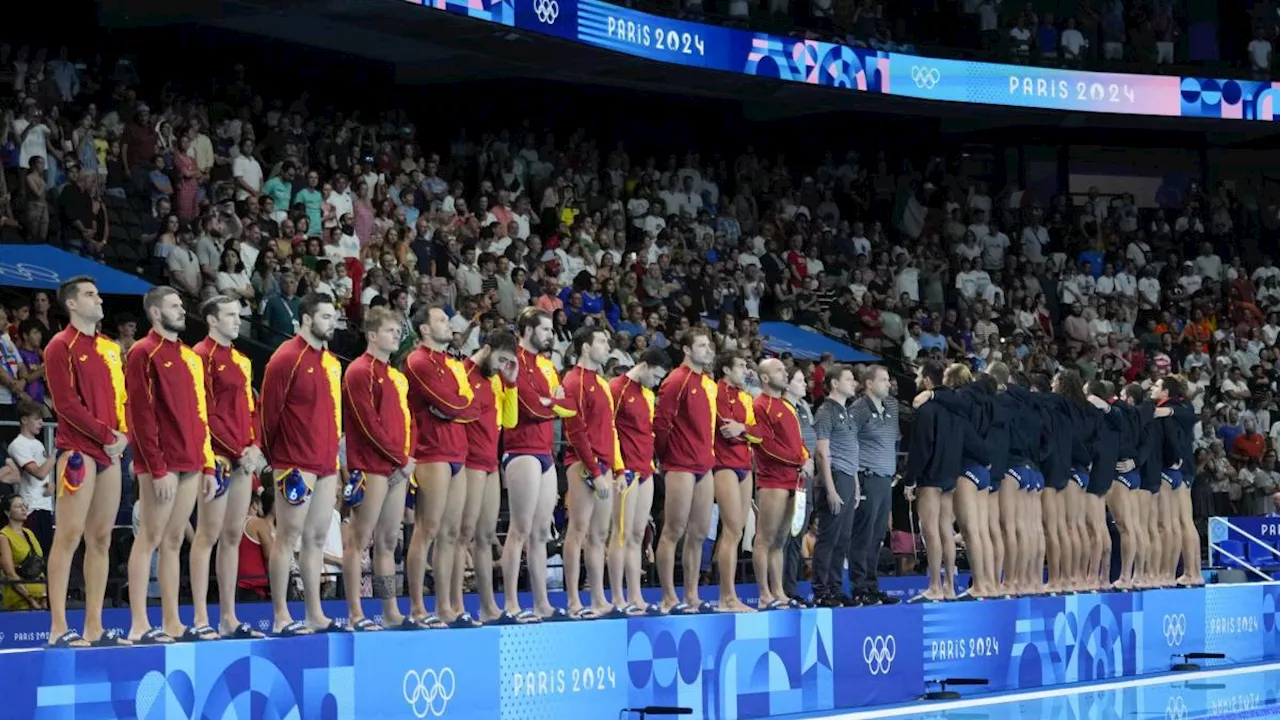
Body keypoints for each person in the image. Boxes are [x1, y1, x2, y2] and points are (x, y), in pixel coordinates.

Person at [124, 285, 218, 644]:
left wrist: (208, 464)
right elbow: (141, 415)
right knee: (149, 536)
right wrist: (157, 467)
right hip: (161, 462)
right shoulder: (142, 352)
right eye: (175, 306)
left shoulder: (191, 358)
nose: (182, 310)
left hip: (191, 458)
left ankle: (172, 621)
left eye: (182, 305)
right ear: (156, 313)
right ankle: (138, 623)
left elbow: (200, 415)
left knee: (175, 539)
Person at [44, 276, 130, 647]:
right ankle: (58, 628)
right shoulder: (59, 346)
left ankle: (94, 626)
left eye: (98, 293)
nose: (98, 299)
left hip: (110, 452)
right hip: (78, 450)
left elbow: (122, 397)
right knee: (68, 536)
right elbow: (65, 405)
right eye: (90, 295)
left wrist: (124, 433)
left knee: (100, 538)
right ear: (72, 304)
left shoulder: (110, 348)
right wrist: (108, 436)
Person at [261, 291, 344, 635]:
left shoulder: (332, 361)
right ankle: (281, 615)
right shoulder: (285, 357)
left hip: (326, 462)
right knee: (288, 536)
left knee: (317, 538)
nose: (333, 323)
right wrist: (274, 456)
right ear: (307, 319)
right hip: (295, 460)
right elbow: (268, 413)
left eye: (334, 317)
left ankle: (314, 613)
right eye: (325, 316)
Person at [190, 296, 266, 639]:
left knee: (233, 535)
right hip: (217, 457)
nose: (238, 320)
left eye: (239, 314)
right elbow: (202, 411)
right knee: (207, 534)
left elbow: (253, 408)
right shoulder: (200, 356)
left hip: (242, 457)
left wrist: (254, 446)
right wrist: (237, 450)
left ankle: (228, 616)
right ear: (212, 320)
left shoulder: (241, 360)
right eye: (231, 315)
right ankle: (201, 618)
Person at [404, 306, 482, 628]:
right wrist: (452, 407)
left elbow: (470, 406)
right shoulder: (418, 361)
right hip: (431, 451)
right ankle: (418, 607)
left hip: (457, 451)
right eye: (440, 320)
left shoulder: (451, 363)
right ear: (424, 329)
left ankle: (447, 607)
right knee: (428, 530)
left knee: (451, 532)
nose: (448, 323)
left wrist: (452, 408)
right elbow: (453, 403)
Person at [339, 306, 415, 631]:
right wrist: (401, 458)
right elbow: (368, 424)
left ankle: (390, 608)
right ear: (372, 335)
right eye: (390, 330)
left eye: (398, 330)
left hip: (396, 467)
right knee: (359, 540)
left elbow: (405, 422)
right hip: (372, 466)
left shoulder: (394, 375)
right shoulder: (358, 371)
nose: (396, 334)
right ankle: (355, 611)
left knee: (386, 543)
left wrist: (408, 458)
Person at [500, 307, 574, 622]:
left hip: (544, 451)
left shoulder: (546, 365)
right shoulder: (511, 359)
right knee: (519, 529)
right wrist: (551, 403)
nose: (550, 335)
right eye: (544, 330)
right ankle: (512, 603)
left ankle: (542, 602)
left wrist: (552, 403)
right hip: (521, 449)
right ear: (528, 329)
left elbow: (567, 405)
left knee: (542, 532)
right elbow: (528, 407)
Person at [904, 361, 984, 602]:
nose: (917, 380)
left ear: (928, 381)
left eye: (919, 376)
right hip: (951, 476)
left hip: (931, 476)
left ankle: (935, 586)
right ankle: (950, 585)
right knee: (946, 531)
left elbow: (920, 448)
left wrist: (910, 480)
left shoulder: (927, 410)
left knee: (930, 531)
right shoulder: (957, 410)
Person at [653, 327, 718, 614]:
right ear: (687, 350)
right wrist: (666, 458)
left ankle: (691, 594)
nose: (708, 350)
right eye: (702, 345)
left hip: (705, 463)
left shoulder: (707, 382)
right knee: (673, 530)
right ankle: (668, 595)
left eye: (709, 345)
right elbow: (660, 424)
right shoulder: (676, 380)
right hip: (680, 463)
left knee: (700, 532)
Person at [560, 326, 624, 619]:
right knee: (578, 530)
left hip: (604, 466)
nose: (607, 345)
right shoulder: (574, 380)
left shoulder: (601, 382)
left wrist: (617, 468)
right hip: (582, 463)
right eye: (601, 340)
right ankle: (573, 599)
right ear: (585, 347)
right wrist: (595, 469)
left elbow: (610, 428)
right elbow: (575, 429)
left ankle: (598, 597)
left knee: (599, 534)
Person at [459, 330, 519, 623]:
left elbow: (509, 421)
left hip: (490, 462)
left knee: (484, 536)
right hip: (469, 462)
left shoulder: (496, 381)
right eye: (501, 359)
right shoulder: (462, 373)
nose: (501, 365)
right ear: (486, 348)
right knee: (463, 534)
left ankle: (487, 606)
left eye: (508, 361)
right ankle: (454, 605)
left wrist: (513, 383)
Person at [608, 347, 670, 615]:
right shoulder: (616, 388)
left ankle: (636, 595)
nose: (657, 383)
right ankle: (617, 597)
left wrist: (652, 463)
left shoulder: (647, 393)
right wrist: (618, 468)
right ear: (644, 365)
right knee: (620, 534)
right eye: (656, 376)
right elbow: (606, 430)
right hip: (626, 470)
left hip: (646, 470)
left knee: (638, 535)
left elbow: (647, 432)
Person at [751, 361, 811, 609]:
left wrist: (805, 457)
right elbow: (765, 444)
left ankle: (779, 591)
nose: (784, 374)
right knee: (765, 539)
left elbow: (797, 442)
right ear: (765, 378)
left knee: (780, 540)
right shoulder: (759, 405)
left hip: (793, 479)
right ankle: (764, 593)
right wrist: (799, 459)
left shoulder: (786, 406)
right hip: (773, 479)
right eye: (779, 371)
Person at [710, 350, 760, 613]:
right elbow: (725, 430)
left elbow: (758, 432)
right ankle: (725, 597)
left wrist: (743, 429)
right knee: (730, 530)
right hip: (724, 463)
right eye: (741, 365)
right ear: (727, 370)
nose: (746, 370)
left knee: (738, 532)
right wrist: (743, 430)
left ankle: (729, 594)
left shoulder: (745, 397)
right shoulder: (715, 392)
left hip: (744, 465)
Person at [847, 365, 902, 604]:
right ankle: (860, 586)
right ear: (869, 383)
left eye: (889, 379)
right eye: (883, 379)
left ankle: (871, 584)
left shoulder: (892, 406)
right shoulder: (858, 409)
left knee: (878, 535)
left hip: (885, 478)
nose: (888, 384)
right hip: (866, 476)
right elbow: (848, 441)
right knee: (864, 535)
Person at [811, 365, 860, 608]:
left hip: (848, 478)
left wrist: (856, 484)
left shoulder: (848, 412)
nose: (854, 383)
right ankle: (821, 590)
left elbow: (853, 450)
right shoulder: (826, 411)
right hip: (835, 477)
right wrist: (830, 489)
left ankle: (835, 587)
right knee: (829, 536)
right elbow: (822, 453)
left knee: (843, 538)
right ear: (834, 384)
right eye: (849, 379)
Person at [1108, 383, 1148, 590]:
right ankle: (1139, 576)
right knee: (1135, 527)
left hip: (1119, 473)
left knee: (1125, 528)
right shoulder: (1136, 415)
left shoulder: (1115, 413)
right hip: (1133, 474)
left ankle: (1125, 576)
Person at [7, 400, 56, 556]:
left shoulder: (38, 444)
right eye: (37, 419)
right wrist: (55, 453)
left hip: (45, 504)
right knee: (36, 553)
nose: (41, 423)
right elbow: (39, 472)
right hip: (31, 507)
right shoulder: (18, 445)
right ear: (24, 420)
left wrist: (51, 485)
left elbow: (45, 475)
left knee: (48, 552)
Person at [0, 494, 47, 610]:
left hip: (40, 598)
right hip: (19, 601)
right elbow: (10, 574)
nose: (23, 508)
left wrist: (44, 597)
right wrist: (31, 600)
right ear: (7, 512)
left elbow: (40, 565)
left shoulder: (29, 533)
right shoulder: (4, 536)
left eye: (24, 505)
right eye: (18, 506)